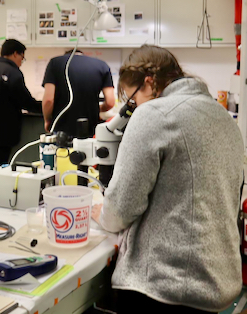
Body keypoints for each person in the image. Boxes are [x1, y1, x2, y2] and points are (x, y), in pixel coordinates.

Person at [92, 45, 244, 313]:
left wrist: (101, 214)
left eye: (132, 100)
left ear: (149, 83)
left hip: (165, 288)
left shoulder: (154, 114)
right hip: (215, 281)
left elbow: (120, 208)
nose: (133, 108)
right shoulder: (223, 118)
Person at [42, 50, 115, 137]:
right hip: (90, 128)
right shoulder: (102, 65)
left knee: (61, 150)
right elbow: (110, 102)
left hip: (62, 129)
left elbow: (48, 100)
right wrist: (97, 108)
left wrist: (47, 120)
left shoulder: (55, 63)